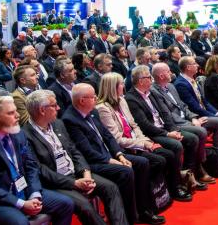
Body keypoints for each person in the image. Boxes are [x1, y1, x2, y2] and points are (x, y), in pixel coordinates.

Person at [62, 83, 165, 225]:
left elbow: (108, 136)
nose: (96, 99)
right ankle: (130, 217)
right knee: (125, 171)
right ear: (82, 100)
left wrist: (119, 155)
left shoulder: (93, 111)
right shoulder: (69, 120)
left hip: (109, 155)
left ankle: (144, 209)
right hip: (94, 162)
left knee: (142, 163)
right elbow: (86, 151)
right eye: (93, 97)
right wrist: (111, 161)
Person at [24, 90, 129, 225]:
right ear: (42, 110)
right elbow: (41, 170)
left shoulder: (58, 124)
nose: (58, 107)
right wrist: (74, 184)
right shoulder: (26, 135)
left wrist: (86, 173)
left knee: (111, 188)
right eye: (54, 105)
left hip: (76, 174)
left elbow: (74, 151)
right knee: (84, 206)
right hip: (57, 183)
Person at [0, 96, 74, 225]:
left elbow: (31, 166)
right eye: (11, 113)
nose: (17, 115)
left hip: (23, 190)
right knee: (20, 222)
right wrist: (22, 204)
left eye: (16, 111)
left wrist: (34, 194)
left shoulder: (18, 134)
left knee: (65, 203)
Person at [96, 72, 192, 202]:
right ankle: (152, 196)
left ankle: (171, 189)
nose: (124, 85)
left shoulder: (122, 100)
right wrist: (143, 144)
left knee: (168, 154)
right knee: (160, 159)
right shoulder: (103, 109)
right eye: (121, 84)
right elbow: (117, 139)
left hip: (138, 140)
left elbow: (134, 125)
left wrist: (145, 141)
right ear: (112, 87)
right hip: (124, 149)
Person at [124, 65, 210, 187]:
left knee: (192, 138)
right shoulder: (131, 98)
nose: (152, 80)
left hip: (165, 128)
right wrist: (168, 134)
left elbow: (165, 114)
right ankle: (177, 182)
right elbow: (145, 125)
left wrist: (174, 130)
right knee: (176, 145)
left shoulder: (150, 92)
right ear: (141, 81)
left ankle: (191, 175)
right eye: (149, 77)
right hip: (152, 134)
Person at [152, 62, 218, 173]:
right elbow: (167, 114)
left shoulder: (170, 86)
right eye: (168, 71)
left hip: (188, 117)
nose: (171, 73)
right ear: (161, 76)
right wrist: (191, 122)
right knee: (201, 131)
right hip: (178, 123)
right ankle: (200, 166)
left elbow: (183, 105)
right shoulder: (155, 91)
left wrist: (193, 118)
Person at [174, 57, 218, 157]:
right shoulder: (180, 84)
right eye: (194, 63)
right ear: (188, 67)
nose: (197, 65)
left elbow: (205, 102)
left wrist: (217, 113)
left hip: (203, 110)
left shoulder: (192, 80)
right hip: (196, 115)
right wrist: (217, 116)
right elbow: (194, 107)